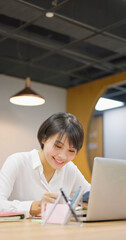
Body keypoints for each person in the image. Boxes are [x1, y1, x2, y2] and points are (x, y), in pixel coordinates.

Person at [0, 112, 90, 218]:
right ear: (44, 138)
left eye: (71, 151)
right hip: (17, 232)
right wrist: (33, 206)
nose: (63, 156)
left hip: (55, 231)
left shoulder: (70, 168)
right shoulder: (17, 162)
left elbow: (91, 195)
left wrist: (85, 203)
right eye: (58, 146)